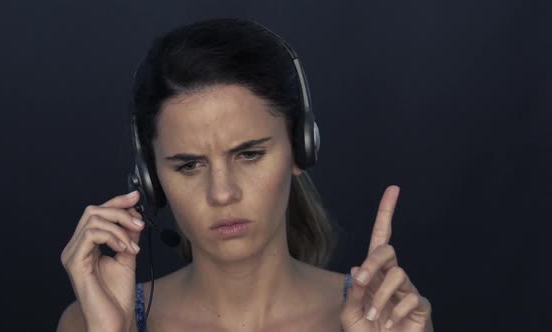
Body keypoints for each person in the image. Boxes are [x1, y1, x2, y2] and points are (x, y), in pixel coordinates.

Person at [57, 18, 433, 332]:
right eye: (189, 165)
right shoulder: (91, 321)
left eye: (249, 154)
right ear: (151, 179)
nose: (222, 193)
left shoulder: (388, 319)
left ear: (302, 148)